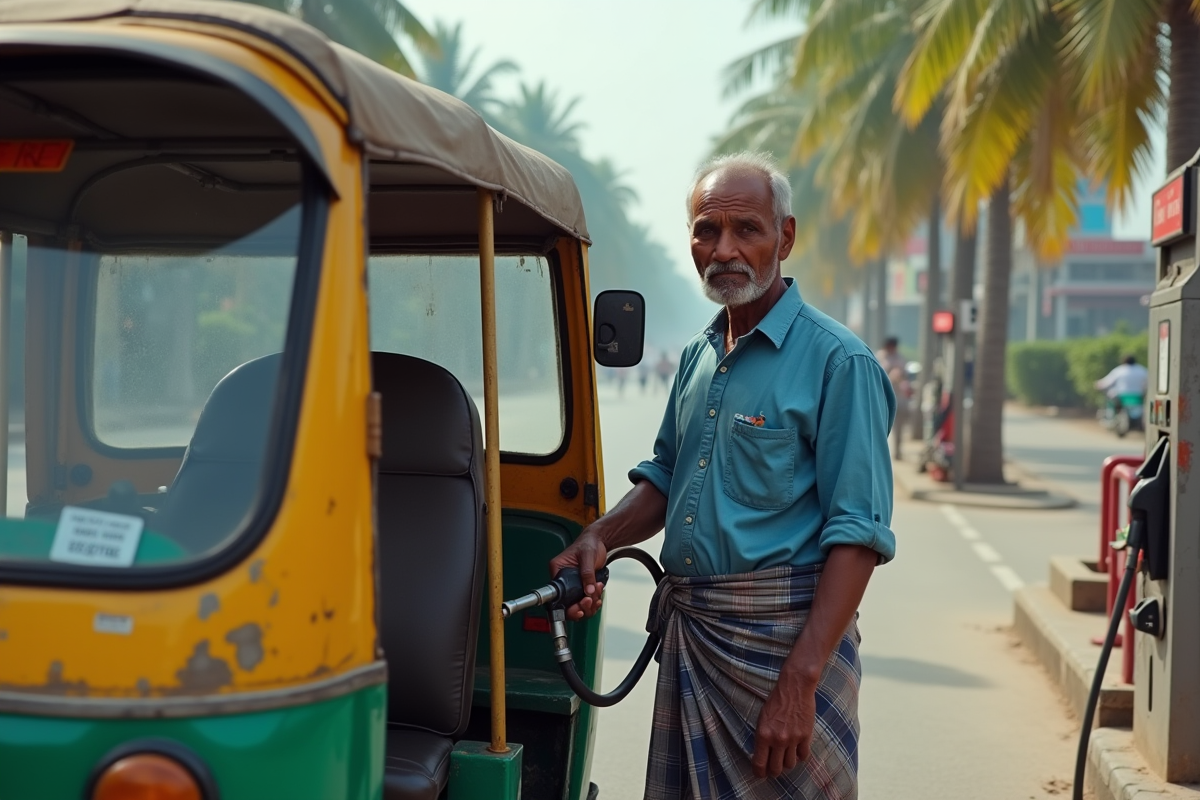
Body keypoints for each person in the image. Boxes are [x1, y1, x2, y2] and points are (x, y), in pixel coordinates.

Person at [550, 151, 896, 799]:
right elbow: (668, 475)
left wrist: (800, 681)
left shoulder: (839, 363)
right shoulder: (698, 356)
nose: (724, 249)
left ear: (784, 238)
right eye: (707, 231)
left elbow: (858, 536)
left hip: (786, 653)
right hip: (699, 637)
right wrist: (602, 533)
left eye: (747, 229)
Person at [874, 336, 909, 461]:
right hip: (881, 396)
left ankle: (897, 451)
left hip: (898, 395)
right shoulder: (880, 357)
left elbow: (904, 374)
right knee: (880, 426)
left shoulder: (900, 358)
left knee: (899, 427)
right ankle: (880, 452)